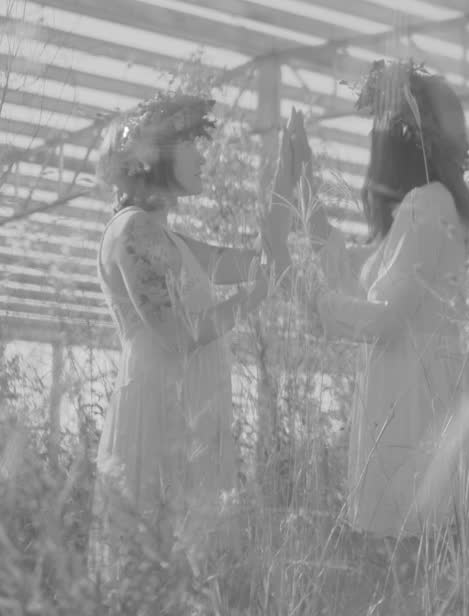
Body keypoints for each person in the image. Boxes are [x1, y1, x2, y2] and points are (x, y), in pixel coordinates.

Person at [88, 92, 300, 580]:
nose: (202, 156)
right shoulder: (132, 230)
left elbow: (244, 261)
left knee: (185, 561)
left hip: (183, 405)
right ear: (157, 155)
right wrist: (256, 296)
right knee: (158, 556)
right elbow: (175, 337)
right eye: (190, 146)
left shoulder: (168, 237)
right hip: (158, 409)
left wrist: (285, 204)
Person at [292, 60, 469, 564]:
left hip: (414, 398)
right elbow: (351, 266)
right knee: (417, 556)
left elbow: (384, 316)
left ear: (400, 140)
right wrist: (303, 186)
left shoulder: (427, 205)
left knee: (415, 552)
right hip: (413, 389)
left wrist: (317, 306)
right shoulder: (421, 209)